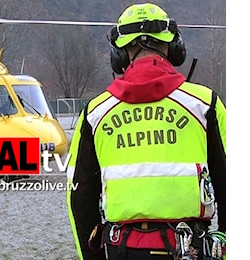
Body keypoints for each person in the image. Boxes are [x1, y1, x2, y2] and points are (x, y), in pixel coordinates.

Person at [66, 3, 226, 260]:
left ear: (118, 54)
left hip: (122, 249)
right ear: (175, 48)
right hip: (191, 248)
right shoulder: (205, 105)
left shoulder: (95, 113)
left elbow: (79, 197)